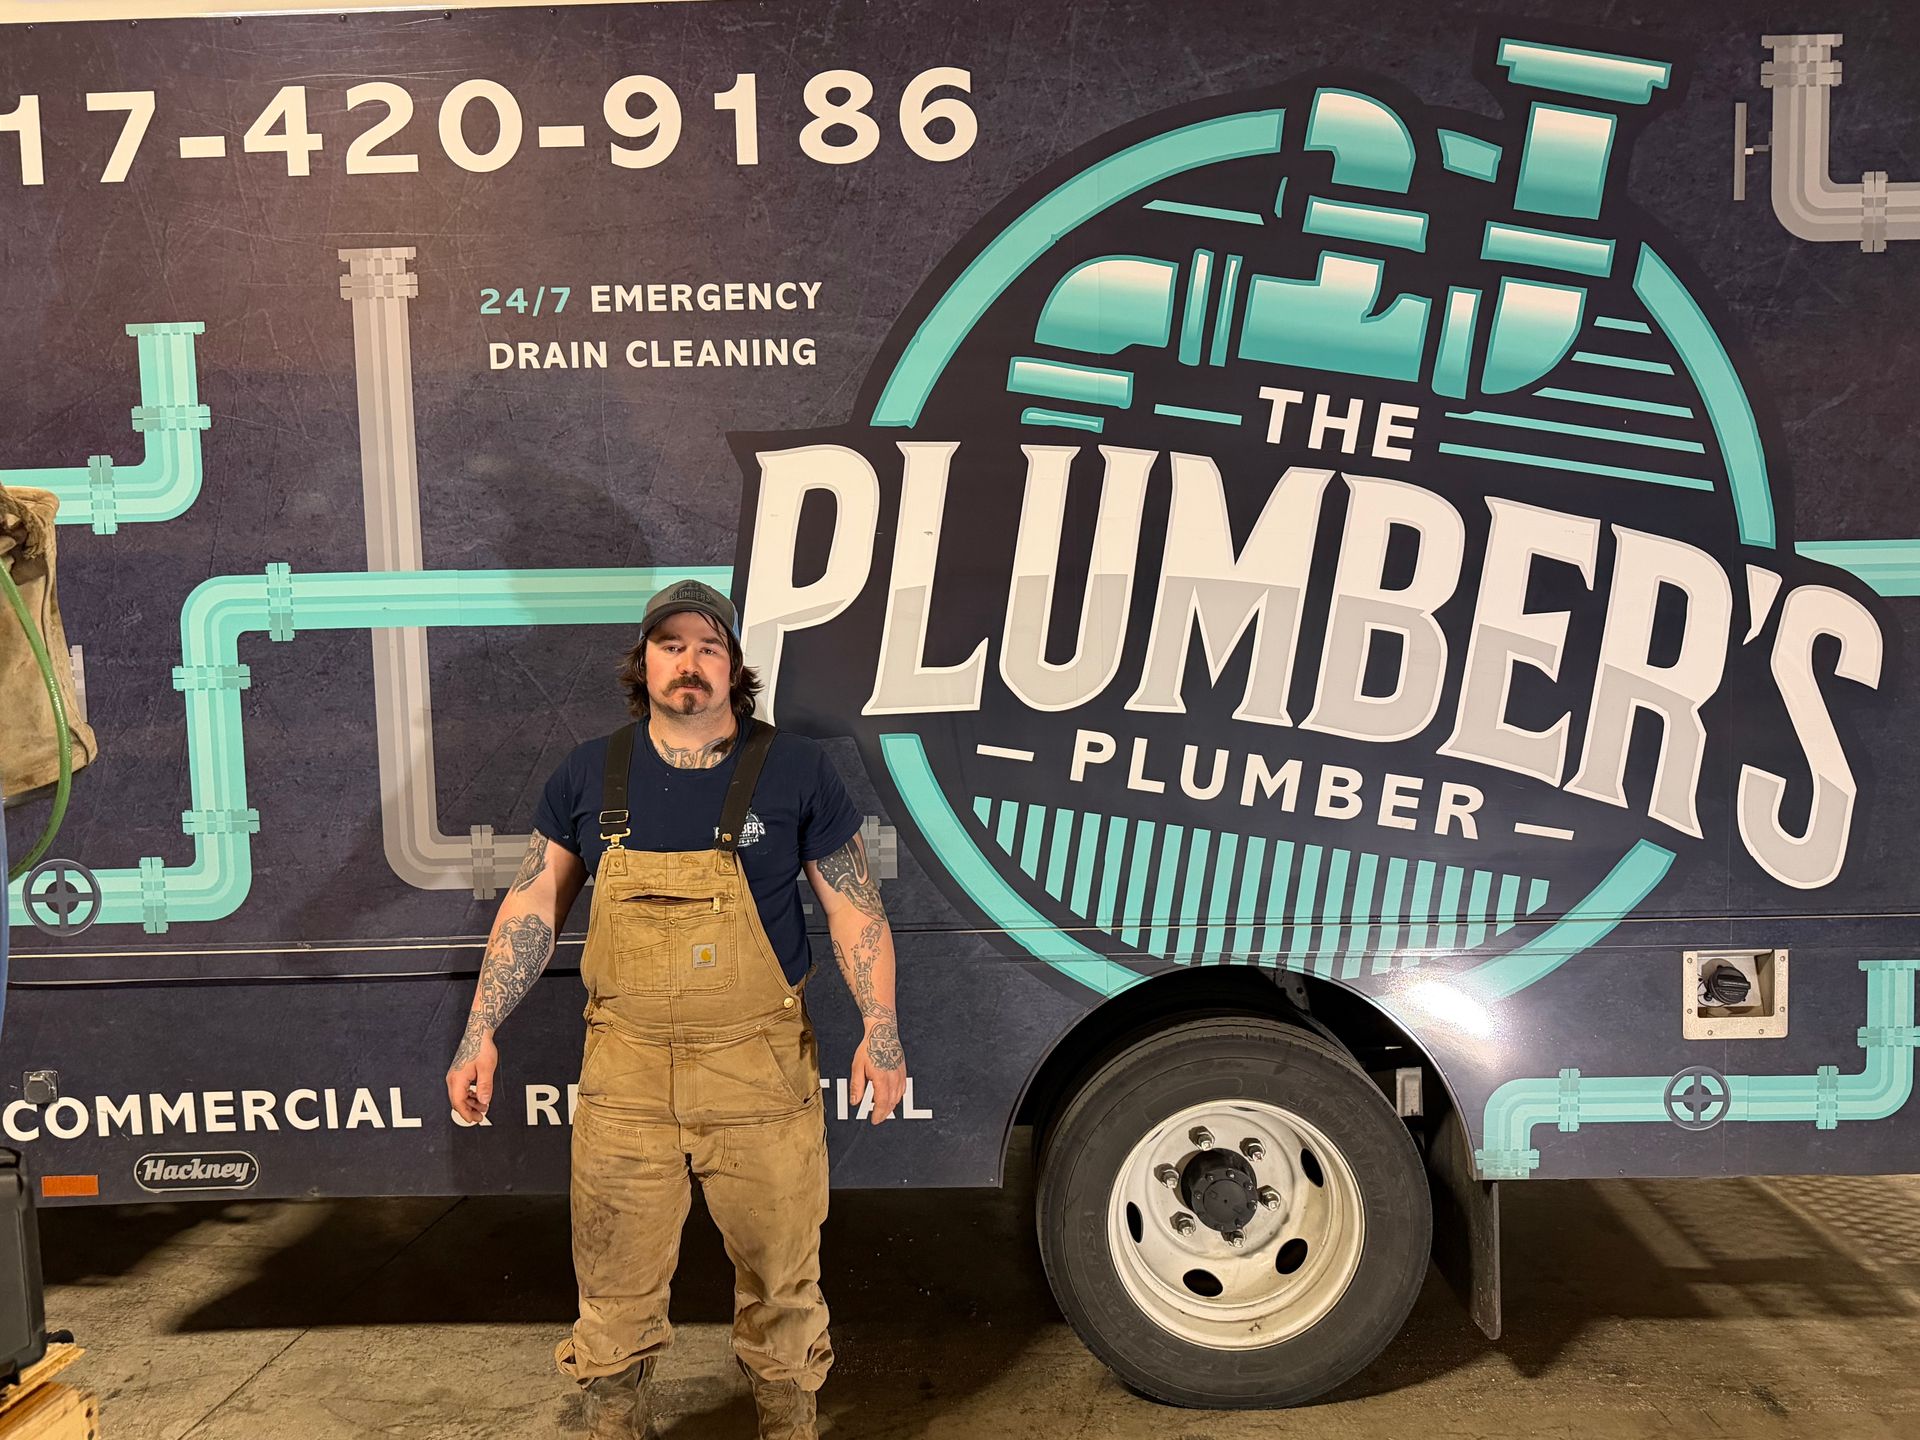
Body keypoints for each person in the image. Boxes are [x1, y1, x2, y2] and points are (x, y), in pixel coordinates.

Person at [444, 578, 907, 1440]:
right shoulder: (590, 772)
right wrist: (481, 1030)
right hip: (624, 1075)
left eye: (707, 647)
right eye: (670, 645)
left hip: (758, 1069)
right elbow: (533, 903)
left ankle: (786, 1422)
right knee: (613, 1291)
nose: (687, 663)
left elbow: (854, 908)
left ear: (734, 668)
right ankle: (615, 1422)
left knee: (781, 1284)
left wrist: (880, 1031)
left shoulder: (797, 769)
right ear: (643, 662)